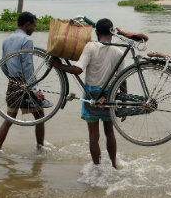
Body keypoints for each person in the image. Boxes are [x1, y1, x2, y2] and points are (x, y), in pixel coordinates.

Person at [50, 18, 124, 169]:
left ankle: (96, 168)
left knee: (93, 136)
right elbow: (122, 79)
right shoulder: (119, 51)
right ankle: (114, 165)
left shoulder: (91, 47)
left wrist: (58, 65)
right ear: (112, 33)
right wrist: (122, 103)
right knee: (110, 132)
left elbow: (78, 69)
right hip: (109, 96)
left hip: (92, 95)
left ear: (96, 33)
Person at [0, 12, 51, 150]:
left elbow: (3, 65)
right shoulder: (26, 40)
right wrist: (35, 89)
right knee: (40, 116)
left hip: (13, 82)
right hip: (26, 83)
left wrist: (12, 79)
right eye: (33, 25)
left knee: (9, 118)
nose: (34, 28)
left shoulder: (6, 40)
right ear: (27, 25)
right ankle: (40, 147)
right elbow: (28, 67)